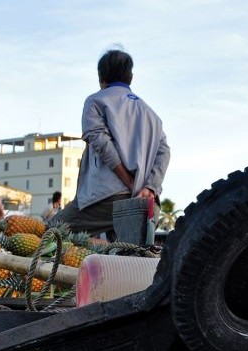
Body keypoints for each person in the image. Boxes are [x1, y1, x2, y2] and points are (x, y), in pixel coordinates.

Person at [50, 48, 170, 239]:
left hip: (107, 197)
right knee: (123, 261)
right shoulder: (151, 114)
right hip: (144, 202)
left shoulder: (96, 101)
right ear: (130, 76)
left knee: (50, 232)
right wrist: (149, 188)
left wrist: (130, 183)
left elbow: (101, 142)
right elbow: (164, 152)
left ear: (101, 77)